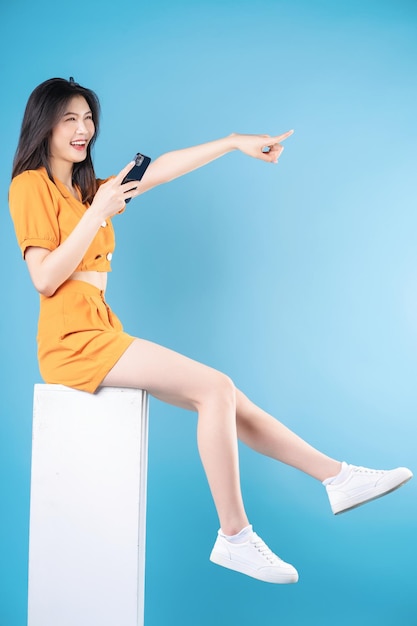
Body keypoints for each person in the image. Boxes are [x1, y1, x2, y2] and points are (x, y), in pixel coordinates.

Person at [9, 77, 413, 585]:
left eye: (88, 118)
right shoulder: (30, 186)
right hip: (72, 340)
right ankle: (235, 535)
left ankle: (337, 477)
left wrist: (231, 142)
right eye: (70, 118)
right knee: (215, 387)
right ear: (43, 124)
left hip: (99, 326)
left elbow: (157, 171)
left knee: (229, 401)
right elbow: (44, 279)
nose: (83, 128)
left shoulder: (87, 189)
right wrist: (97, 213)